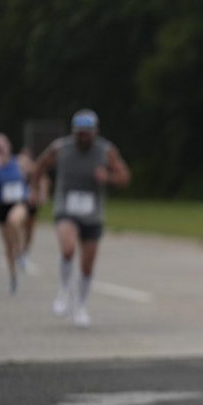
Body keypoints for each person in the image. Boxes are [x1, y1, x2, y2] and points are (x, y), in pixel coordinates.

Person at [32, 109, 131, 328]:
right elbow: (40, 164)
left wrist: (108, 177)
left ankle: (81, 305)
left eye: (87, 132)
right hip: (66, 208)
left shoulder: (106, 151)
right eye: (80, 132)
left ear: (95, 132)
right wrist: (34, 189)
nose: (83, 136)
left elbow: (124, 176)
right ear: (74, 131)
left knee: (87, 265)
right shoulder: (60, 147)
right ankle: (64, 290)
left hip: (92, 213)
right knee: (68, 249)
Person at [0, 133, 31, 294]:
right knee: (8, 247)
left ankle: (21, 252)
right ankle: (13, 277)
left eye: (2, 146)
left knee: (14, 220)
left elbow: (36, 172)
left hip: (19, 202)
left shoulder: (20, 161)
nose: (0, 149)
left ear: (9, 147)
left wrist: (29, 179)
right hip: (2, 205)